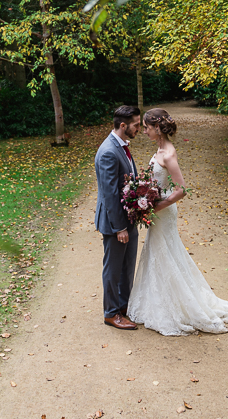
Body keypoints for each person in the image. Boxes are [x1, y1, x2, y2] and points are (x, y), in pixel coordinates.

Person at [127, 108, 228, 335]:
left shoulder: (168, 154)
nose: (145, 131)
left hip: (164, 212)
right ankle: (158, 300)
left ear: (157, 128)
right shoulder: (159, 149)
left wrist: (155, 206)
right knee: (159, 252)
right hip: (157, 210)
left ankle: (179, 305)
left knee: (165, 252)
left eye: (148, 128)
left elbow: (181, 190)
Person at [94, 105, 141, 330]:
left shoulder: (121, 146)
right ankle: (111, 313)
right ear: (123, 126)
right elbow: (110, 194)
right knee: (113, 269)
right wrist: (120, 227)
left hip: (128, 219)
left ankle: (123, 307)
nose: (139, 129)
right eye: (136, 125)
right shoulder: (108, 152)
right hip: (116, 224)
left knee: (127, 267)